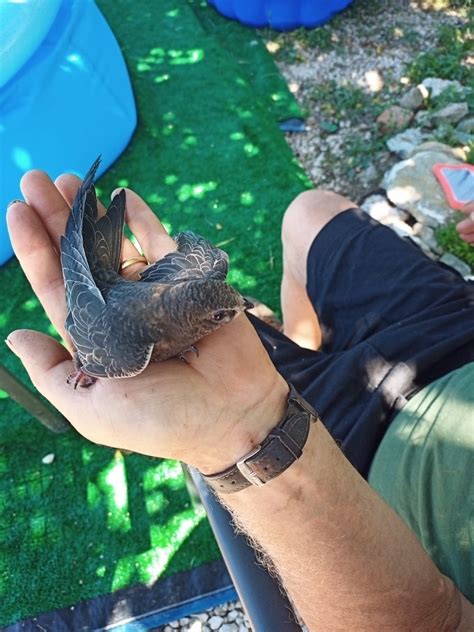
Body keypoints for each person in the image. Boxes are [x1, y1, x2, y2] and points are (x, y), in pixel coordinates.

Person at [6, 171, 474, 631]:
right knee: (310, 212)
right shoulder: (129, 343)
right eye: (223, 312)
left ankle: (301, 366)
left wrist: (238, 434)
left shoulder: (142, 344)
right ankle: (302, 348)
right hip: (457, 340)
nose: (235, 315)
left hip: (361, 454)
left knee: (203, 324)